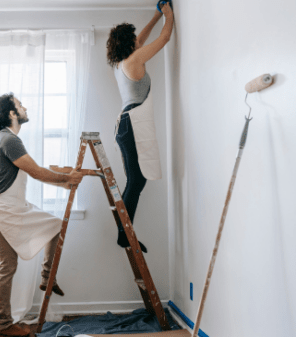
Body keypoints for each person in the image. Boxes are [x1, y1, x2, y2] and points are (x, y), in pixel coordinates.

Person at [0, 93, 84, 337]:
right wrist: (67, 180)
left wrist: (65, 183)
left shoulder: (5, 138)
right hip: (5, 208)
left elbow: (34, 172)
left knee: (54, 226)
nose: (24, 107)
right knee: (7, 267)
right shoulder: (9, 139)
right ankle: (5, 325)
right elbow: (36, 172)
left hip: (10, 205)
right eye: (20, 105)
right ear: (11, 113)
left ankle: (47, 275)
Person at [106, 2, 174, 252]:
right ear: (130, 43)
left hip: (124, 124)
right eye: (134, 39)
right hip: (131, 124)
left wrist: (156, 15)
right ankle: (124, 232)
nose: (139, 40)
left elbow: (142, 38)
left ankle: (124, 230)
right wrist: (168, 15)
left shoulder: (121, 62)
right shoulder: (135, 59)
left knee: (135, 180)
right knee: (136, 180)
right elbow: (165, 38)